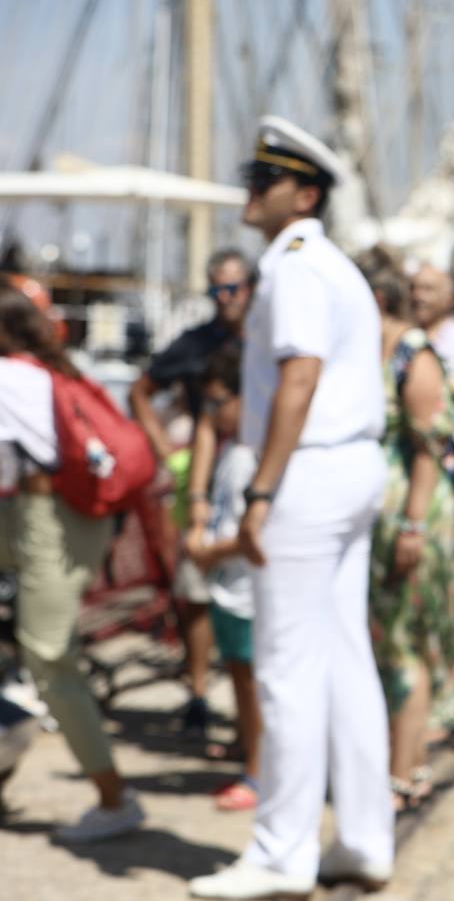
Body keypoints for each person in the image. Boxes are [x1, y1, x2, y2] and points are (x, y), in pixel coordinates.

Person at [190, 116, 392, 899]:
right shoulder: (329, 264)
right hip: (347, 468)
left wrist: (262, 489)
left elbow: (299, 376)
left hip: (307, 475)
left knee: (285, 668)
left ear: (303, 194)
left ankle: (282, 854)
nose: (250, 190)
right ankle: (366, 839)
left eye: (262, 181)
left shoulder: (295, 265)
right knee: (343, 659)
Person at [0, 288, 145, 842]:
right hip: (50, 516)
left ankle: (115, 798)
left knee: (50, 657)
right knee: (44, 655)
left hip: (46, 518)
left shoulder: (12, 376)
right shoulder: (48, 370)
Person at [361, 249, 454, 810]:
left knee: (404, 644)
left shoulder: (413, 354)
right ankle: (408, 764)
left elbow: (428, 446)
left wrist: (412, 523)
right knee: (387, 642)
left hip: (412, 515)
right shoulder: (369, 347)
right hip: (379, 514)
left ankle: (401, 774)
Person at [128, 247, 253, 739]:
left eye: (234, 288)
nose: (225, 298)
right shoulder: (196, 344)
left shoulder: (268, 337)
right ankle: (200, 693)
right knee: (197, 591)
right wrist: (170, 456)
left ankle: (252, 729)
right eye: (217, 289)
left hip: (252, 473)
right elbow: (143, 392)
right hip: (205, 476)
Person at [183, 346, 260, 812]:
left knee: (253, 687)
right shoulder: (232, 448)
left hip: (249, 590)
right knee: (238, 679)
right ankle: (250, 760)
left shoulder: (253, 455)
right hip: (230, 588)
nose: (210, 415)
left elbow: (256, 534)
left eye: (217, 404)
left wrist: (209, 551)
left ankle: (258, 772)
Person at [410, 263, 454, 369]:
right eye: (413, 288)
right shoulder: (407, 331)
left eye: (428, 289)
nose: (417, 296)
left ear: (449, 298)